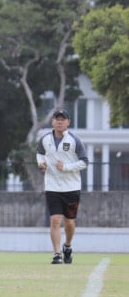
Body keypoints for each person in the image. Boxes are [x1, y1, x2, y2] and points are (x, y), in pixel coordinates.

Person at [36, 108, 88, 265]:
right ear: (52, 121)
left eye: (63, 119)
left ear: (68, 122)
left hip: (72, 187)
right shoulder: (45, 139)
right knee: (55, 220)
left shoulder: (75, 140)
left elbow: (84, 162)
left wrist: (66, 167)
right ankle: (57, 254)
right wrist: (41, 163)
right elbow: (39, 153)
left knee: (69, 222)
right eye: (57, 119)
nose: (59, 121)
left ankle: (67, 246)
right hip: (52, 187)